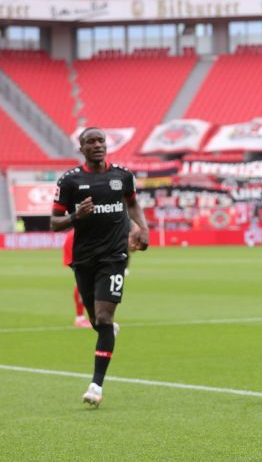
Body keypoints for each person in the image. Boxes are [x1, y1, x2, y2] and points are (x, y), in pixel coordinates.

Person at [50, 127, 149, 408]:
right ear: (81, 148)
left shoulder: (122, 175)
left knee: (104, 319)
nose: (97, 145)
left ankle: (96, 385)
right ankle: (107, 331)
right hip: (84, 258)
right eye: (90, 142)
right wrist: (76, 215)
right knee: (97, 322)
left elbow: (133, 204)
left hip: (114, 256)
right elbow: (54, 222)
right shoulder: (70, 181)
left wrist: (143, 229)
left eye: (100, 141)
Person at [63, 229, 92, 328]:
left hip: (86, 257)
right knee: (82, 284)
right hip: (78, 259)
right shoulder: (73, 235)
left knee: (87, 285)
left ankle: (88, 317)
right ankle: (80, 318)